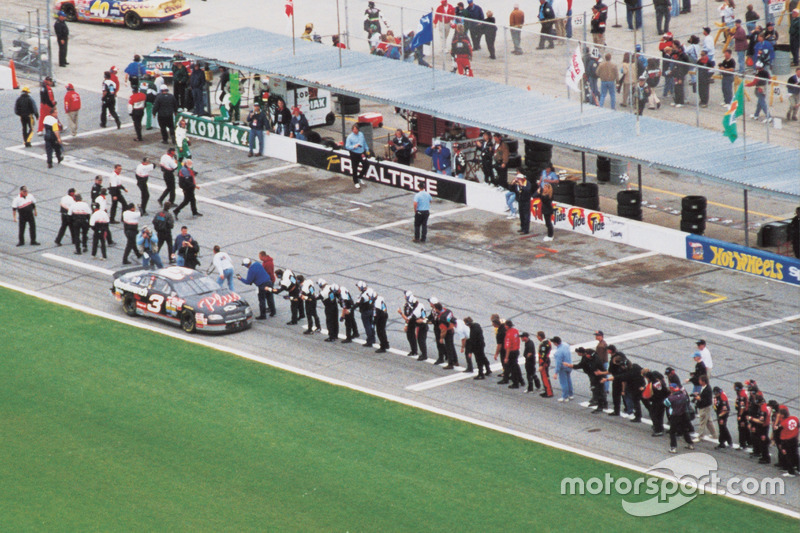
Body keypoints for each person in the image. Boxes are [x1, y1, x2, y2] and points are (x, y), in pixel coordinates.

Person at [665, 383, 695, 453]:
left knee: (672, 432)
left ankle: (673, 447)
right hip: (683, 415)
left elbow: (666, 404)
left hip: (675, 416)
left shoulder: (670, 398)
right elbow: (687, 403)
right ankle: (690, 444)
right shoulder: (683, 396)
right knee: (685, 430)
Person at [434, 301, 458, 369]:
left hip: (448, 332)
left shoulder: (442, 318)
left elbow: (443, 330)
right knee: (452, 346)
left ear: (437, 309)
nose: (435, 310)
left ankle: (450, 364)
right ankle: (455, 361)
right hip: (452, 329)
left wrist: (441, 338)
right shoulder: (448, 310)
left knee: (449, 347)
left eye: (435, 309)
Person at [693, 375, 718, 442]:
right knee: (709, 422)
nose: (699, 381)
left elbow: (706, 400)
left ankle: (700, 436)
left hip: (704, 407)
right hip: (706, 407)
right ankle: (714, 434)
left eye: (700, 380)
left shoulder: (707, 389)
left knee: (702, 422)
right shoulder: (705, 387)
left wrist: (699, 398)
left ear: (703, 381)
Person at [345, 124, 369, 189]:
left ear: (358, 129)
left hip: (362, 153)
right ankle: (356, 182)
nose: (355, 131)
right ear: (352, 130)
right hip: (354, 154)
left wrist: (367, 149)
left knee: (366, 165)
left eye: (356, 129)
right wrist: (353, 146)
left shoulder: (361, 134)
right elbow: (347, 146)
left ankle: (360, 177)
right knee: (355, 168)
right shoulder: (350, 137)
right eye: (354, 129)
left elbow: (364, 142)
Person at [778, 406, 799, 476]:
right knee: (795, 454)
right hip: (794, 439)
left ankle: (791, 472)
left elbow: (778, 430)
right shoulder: (795, 418)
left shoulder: (783, 423)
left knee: (788, 456)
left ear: (783, 415)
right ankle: (799, 469)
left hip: (787, 441)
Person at [355, 281, 377, 348]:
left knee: (367, 326)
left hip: (365, 312)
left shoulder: (363, 296)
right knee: (371, 325)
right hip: (371, 310)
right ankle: (373, 338)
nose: (358, 288)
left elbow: (357, 304)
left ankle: (369, 341)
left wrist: (351, 309)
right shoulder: (370, 290)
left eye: (358, 287)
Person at [552, 336, 573, 401]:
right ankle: (571, 394)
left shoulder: (558, 352)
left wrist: (556, 373)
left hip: (563, 368)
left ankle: (565, 397)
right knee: (569, 380)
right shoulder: (566, 345)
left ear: (555, 343)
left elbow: (558, 364)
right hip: (569, 365)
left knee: (564, 382)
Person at [258, 251, 277, 316]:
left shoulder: (268, 263)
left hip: (269, 281)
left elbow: (269, 273)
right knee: (268, 296)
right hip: (268, 281)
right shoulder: (266, 262)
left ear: (263, 256)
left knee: (269, 297)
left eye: (260, 256)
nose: (259, 258)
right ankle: (271, 308)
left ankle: (272, 310)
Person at [536, 332, 553, 397]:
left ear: (540, 337)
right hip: (547, 360)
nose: (537, 337)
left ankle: (549, 392)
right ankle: (547, 390)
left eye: (537, 336)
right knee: (545, 377)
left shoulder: (543, 345)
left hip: (544, 362)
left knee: (545, 377)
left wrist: (541, 365)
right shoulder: (548, 342)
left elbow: (543, 355)